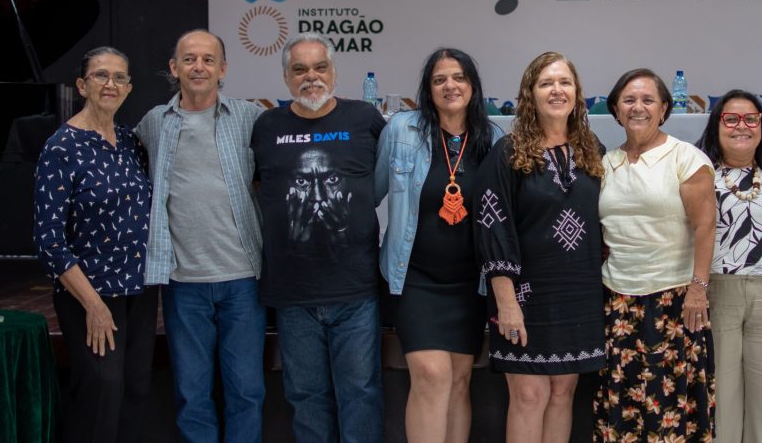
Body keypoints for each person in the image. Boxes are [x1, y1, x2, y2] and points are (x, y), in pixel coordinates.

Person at [250, 33, 387, 442]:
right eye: (300, 69)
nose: (311, 77)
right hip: (294, 294)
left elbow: (387, 182)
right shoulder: (266, 127)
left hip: (356, 289)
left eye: (319, 67)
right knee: (305, 395)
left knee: (360, 394)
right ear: (287, 78)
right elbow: (257, 189)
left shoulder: (365, 119)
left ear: (334, 72)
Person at [134, 29, 266, 443]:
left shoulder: (249, 117)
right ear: (174, 68)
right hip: (183, 282)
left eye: (208, 60)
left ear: (223, 69)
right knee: (192, 394)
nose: (199, 67)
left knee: (247, 390)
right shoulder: (154, 122)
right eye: (189, 59)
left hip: (243, 279)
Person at [475, 51, 606, 443]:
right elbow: (491, 226)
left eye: (565, 82)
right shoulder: (508, 152)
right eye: (546, 83)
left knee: (563, 393)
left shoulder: (591, 149)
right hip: (524, 297)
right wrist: (506, 302)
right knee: (530, 395)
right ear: (530, 93)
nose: (557, 90)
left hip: (579, 293)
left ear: (577, 93)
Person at [374, 48, 504, 443]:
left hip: (470, 283)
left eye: (459, 77)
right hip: (415, 279)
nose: (450, 85)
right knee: (432, 376)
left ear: (473, 86)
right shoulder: (401, 130)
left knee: (461, 381)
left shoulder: (493, 139)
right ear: (428, 90)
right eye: (439, 79)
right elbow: (370, 193)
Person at [33, 47, 157, 443]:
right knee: (101, 392)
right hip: (89, 295)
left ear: (129, 87)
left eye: (120, 77)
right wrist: (93, 305)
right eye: (101, 75)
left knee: (135, 391)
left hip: (139, 292)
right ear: (82, 85)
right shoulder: (61, 147)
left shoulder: (130, 142)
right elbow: (48, 240)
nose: (111, 84)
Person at [595, 68, 717, 442]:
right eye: (629, 100)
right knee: (621, 412)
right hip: (617, 302)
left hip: (675, 303)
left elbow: (705, 227)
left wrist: (698, 289)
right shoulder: (604, 164)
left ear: (664, 108)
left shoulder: (686, 158)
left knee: (670, 413)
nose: (638, 107)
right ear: (616, 109)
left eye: (648, 100)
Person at [695, 89, 762, 443]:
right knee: (720, 398)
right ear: (717, 124)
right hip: (717, 291)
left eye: (751, 119)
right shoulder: (697, 169)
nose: (742, 126)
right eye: (731, 118)